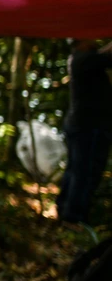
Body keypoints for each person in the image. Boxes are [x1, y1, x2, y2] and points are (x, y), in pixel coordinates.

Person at [57, 39, 112, 224]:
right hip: (89, 126)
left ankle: (65, 210)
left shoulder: (79, 58)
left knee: (76, 169)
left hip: (81, 124)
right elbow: (106, 57)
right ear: (82, 41)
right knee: (85, 172)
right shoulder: (85, 60)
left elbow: (103, 55)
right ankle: (74, 217)